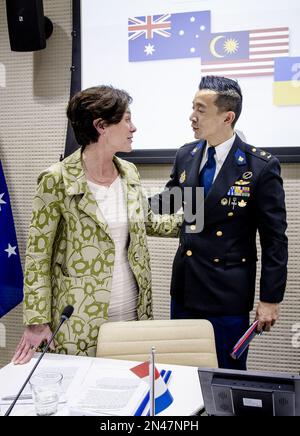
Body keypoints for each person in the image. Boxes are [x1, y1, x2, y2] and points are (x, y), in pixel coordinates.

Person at [12, 85, 181, 364]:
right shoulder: (56, 179)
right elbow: (37, 257)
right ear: (101, 126)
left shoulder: (129, 172)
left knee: (132, 391)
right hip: (79, 318)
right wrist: (36, 320)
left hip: (133, 311)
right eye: (126, 119)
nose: (133, 127)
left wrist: (203, 221)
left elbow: (146, 222)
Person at [151, 76, 288, 370]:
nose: (192, 116)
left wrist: (270, 299)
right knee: (182, 370)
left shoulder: (260, 167)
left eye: (200, 109)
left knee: (225, 376)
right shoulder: (187, 154)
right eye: (193, 107)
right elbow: (171, 201)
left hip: (227, 294)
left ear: (227, 117)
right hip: (186, 288)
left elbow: (275, 240)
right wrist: (124, 193)